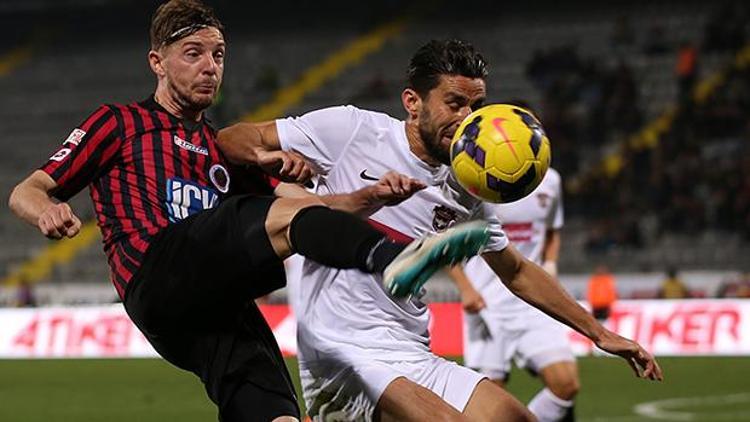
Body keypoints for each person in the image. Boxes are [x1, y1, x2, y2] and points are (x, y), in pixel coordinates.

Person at [6, 3, 490, 421]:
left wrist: (371, 198)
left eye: (217, 55)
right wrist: (46, 210)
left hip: (214, 303)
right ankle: (393, 259)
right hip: (157, 272)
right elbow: (27, 190)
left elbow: (307, 212)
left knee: (276, 409)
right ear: (157, 62)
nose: (210, 67)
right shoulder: (120, 123)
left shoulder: (222, 149)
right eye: (193, 54)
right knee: (265, 213)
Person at [219, 39, 663, 421]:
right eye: (455, 104)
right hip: (342, 348)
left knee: (518, 418)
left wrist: (599, 333)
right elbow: (231, 139)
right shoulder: (352, 131)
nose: (468, 117)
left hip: (410, 347)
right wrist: (268, 159)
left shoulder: (467, 184)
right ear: (413, 102)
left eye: (476, 106)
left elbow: (516, 271)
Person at [449, 167, 580, 422]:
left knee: (566, 384)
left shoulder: (551, 180)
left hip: (535, 302)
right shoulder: (474, 178)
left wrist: (550, 264)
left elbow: (552, 231)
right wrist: (465, 288)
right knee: (490, 402)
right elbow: (445, 238)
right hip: (487, 305)